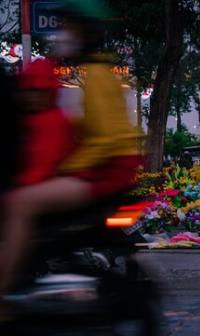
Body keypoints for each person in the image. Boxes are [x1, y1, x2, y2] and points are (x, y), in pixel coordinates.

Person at [0, 0, 141, 294]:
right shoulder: (95, 73)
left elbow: (105, 141)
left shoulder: (98, 77)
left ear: (86, 32)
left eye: (69, 27)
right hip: (107, 170)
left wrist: (69, 168)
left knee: (19, 204)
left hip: (105, 173)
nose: (61, 34)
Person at [15, 58, 75, 188]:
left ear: (51, 92)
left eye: (39, 91)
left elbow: (42, 168)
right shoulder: (32, 118)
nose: (32, 97)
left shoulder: (52, 122)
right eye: (28, 91)